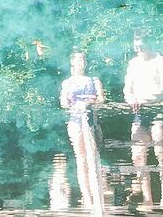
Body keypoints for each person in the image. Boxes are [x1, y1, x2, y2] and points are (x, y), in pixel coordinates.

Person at [123, 34, 163, 208]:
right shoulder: (133, 63)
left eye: (141, 46)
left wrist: (144, 98)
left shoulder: (159, 60)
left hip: (157, 111)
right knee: (138, 155)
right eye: (136, 46)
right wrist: (131, 99)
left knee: (160, 153)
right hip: (139, 113)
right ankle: (147, 200)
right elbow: (127, 89)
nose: (139, 49)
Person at [59, 50, 105, 215]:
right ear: (72, 62)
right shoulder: (68, 82)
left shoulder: (94, 80)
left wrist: (88, 103)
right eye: (78, 59)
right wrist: (73, 104)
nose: (81, 62)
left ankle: (97, 195)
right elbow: (63, 102)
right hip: (75, 121)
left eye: (83, 59)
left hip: (92, 120)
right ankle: (87, 198)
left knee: (93, 157)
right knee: (81, 159)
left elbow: (101, 99)